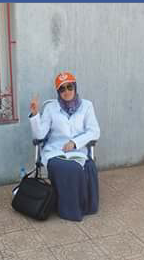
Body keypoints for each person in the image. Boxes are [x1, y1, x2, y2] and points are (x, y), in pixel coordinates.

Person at [29, 71, 100, 221]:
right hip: (55, 151)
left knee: (88, 167)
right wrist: (35, 115)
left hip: (78, 151)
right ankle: (69, 209)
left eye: (69, 87)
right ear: (58, 92)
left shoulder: (87, 106)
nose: (66, 92)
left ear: (75, 87)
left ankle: (86, 206)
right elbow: (40, 135)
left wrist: (75, 142)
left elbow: (94, 131)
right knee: (70, 168)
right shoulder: (50, 108)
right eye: (62, 89)